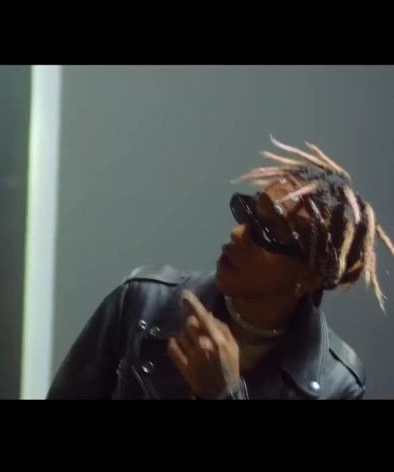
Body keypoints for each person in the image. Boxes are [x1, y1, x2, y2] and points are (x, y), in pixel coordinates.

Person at [47, 136, 393, 400]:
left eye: (265, 231)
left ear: (309, 275)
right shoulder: (143, 303)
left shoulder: (336, 383)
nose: (238, 233)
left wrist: (224, 394)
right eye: (247, 213)